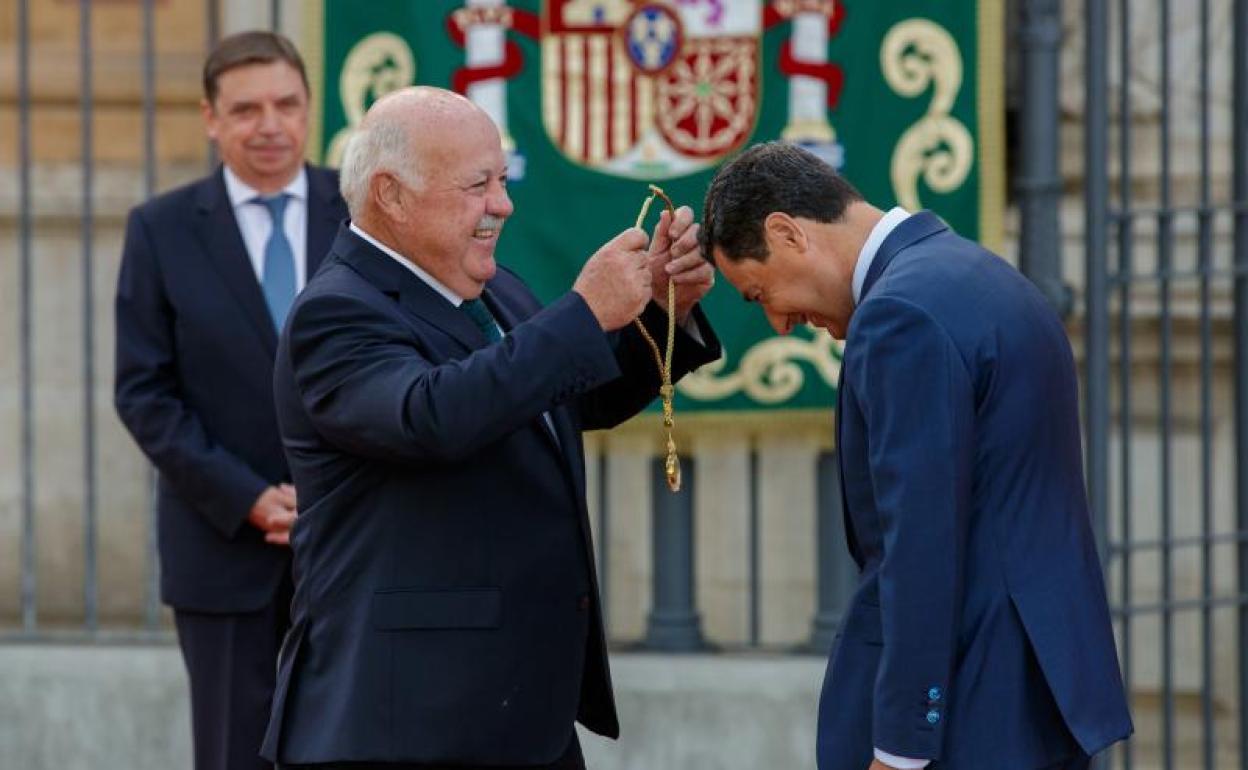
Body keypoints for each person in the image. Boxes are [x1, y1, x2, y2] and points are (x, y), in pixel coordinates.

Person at [260, 86, 720, 769]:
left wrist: (658, 308)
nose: (501, 205)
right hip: (407, 721)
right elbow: (431, 417)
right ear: (390, 195)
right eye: (478, 185)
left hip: (518, 709)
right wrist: (584, 314)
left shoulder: (495, 286)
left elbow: (564, 399)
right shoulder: (336, 312)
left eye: (501, 181)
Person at [699, 142, 1132, 770]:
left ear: (787, 232)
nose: (778, 323)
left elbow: (922, 543)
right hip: (1037, 692)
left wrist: (901, 746)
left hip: (972, 709)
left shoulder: (898, 316)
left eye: (758, 292)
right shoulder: (975, 273)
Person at [113, 31, 347, 770]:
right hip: (223, 550)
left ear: (310, 110)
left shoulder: (365, 212)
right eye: (246, 109)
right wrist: (247, 497)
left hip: (354, 541)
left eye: (286, 104)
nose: (269, 125)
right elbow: (144, 393)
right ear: (211, 118)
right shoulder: (161, 229)